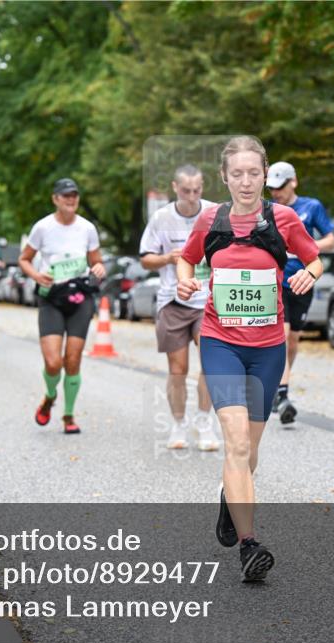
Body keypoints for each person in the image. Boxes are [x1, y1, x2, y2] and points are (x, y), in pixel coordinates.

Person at [177, 136, 322, 582]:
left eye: (253, 173)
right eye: (236, 174)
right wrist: (186, 283)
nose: (245, 181)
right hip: (220, 342)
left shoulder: (283, 218)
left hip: (267, 350)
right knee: (236, 443)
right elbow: (186, 261)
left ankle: (229, 495)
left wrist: (306, 278)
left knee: (249, 452)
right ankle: (249, 546)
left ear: (264, 176)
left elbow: (315, 260)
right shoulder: (210, 219)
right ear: (224, 177)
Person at [139, 164, 219, 450]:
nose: (192, 196)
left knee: (211, 364)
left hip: (207, 300)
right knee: (178, 368)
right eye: (186, 191)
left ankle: (204, 421)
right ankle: (178, 423)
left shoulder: (214, 213)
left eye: (197, 190)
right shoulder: (162, 218)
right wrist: (167, 259)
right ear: (175, 188)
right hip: (173, 301)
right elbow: (145, 258)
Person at [19, 178, 106, 435]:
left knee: (73, 358)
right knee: (53, 362)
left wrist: (98, 269)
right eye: (65, 195)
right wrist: (36, 275)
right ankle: (49, 395)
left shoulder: (87, 228)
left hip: (79, 297)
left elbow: (97, 262)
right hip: (51, 297)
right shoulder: (43, 228)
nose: (71, 200)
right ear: (55, 198)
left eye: (75, 195)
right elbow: (24, 259)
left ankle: (68, 415)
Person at [265, 161, 334, 424]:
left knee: (293, 340)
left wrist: (304, 246)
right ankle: (282, 394)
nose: (275, 193)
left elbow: (330, 240)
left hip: (304, 280)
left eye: (280, 187)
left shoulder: (311, 207)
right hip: (276, 280)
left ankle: (278, 385)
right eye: (271, 188)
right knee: (282, 337)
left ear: (293, 182)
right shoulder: (268, 210)